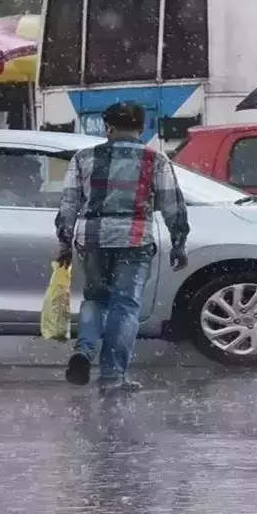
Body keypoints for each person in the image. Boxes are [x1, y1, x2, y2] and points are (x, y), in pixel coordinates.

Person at [55, 102, 189, 394]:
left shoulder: (82, 158)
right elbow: (172, 205)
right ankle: (112, 376)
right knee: (125, 306)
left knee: (94, 298)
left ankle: (85, 349)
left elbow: (69, 204)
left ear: (108, 128)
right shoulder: (155, 160)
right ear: (141, 129)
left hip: (92, 240)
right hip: (133, 240)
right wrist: (178, 243)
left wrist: (64, 241)